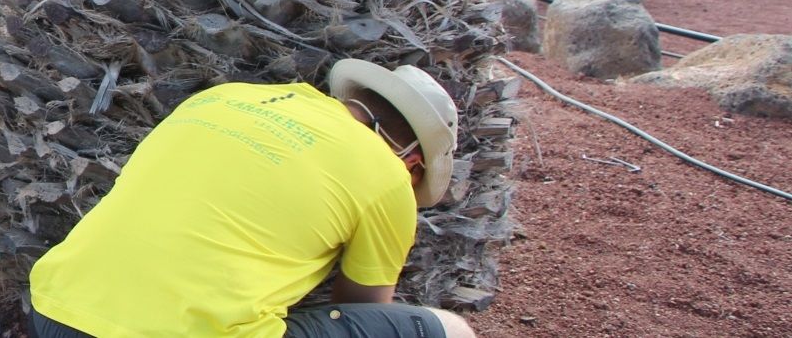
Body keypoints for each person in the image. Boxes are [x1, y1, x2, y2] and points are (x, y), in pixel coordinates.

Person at [26, 59, 479, 338]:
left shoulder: (225, 97)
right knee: (451, 332)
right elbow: (363, 306)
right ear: (413, 159)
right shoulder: (387, 176)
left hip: (53, 313)